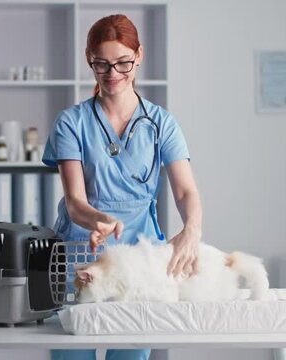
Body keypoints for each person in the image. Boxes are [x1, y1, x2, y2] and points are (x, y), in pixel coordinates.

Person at [42, 14, 203, 360]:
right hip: (81, 253)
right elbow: (74, 202)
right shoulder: (72, 122)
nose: (112, 74)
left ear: (139, 56)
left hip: (140, 259)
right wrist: (99, 220)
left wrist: (192, 228)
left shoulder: (161, 124)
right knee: (72, 352)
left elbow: (185, 191)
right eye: (102, 64)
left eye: (123, 63)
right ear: (90, 60)